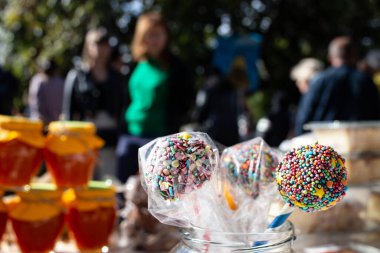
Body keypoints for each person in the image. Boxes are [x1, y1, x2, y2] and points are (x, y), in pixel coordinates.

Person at [116, 12, 194, 183]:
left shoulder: (175, 67)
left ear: (166, 36)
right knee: (124, 188)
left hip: (160, 137)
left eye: (159, 34)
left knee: (158, 188)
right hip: (131, 134)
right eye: (150, 35)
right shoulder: (134, 64)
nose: (155, 40)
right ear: (142, 37)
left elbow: (185, 99)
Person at [63, 27, 124, 178]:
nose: (100, 49)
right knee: (83, 181)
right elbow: (69, 113)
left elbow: (122, 108)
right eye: (96, 43)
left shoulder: (117, 77)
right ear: (87, 46)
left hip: (109, 139)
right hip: (84, 136)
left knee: (110, 182)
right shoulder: (76, 76)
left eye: (104, 44)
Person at [295, 36, 380, 135]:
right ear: (354, 56)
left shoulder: (320, 80)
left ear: (330, 57)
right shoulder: (366, 81)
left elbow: (303, 119)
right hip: (360, 145)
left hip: (323, 145)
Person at [193, 68, 240, 146]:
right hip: (232, 130)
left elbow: (201, 110)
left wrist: (197, 121)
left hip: (213, 131)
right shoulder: (231, 89)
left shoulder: (206, 89)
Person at [28, 60, 64, 125]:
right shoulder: (38, 81)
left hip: (53, 123)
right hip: (41, 122)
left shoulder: (59, 83)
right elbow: (35, 103)